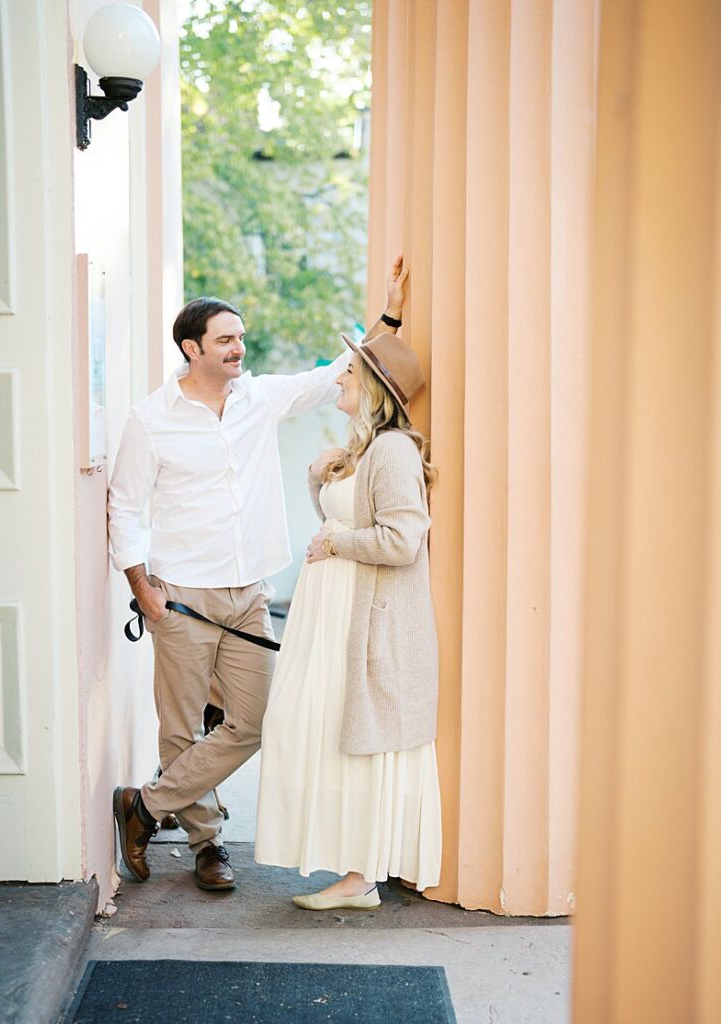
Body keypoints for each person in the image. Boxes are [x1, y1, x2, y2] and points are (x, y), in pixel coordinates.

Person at [108, 258, 409, 892]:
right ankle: (208, 845)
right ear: (191, 348)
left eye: (241, 336)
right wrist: (143, 587)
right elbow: (126, 506)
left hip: (248, 595)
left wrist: (389, 311)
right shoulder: (149, 419)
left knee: (257, 719)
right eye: (225, 339)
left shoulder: (259, 398)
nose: (239, 347)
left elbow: (337, 375)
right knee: (181, 728)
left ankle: (145, 806)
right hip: (181, 594)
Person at [254, 318, 441, 910]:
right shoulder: (364, 449)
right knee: (304, 727)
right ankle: (348, 869)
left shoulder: (393, 451)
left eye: (350, 373)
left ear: (376, 387)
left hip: (365, 624)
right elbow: (339, 523)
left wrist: (337, 546)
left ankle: (360, 879)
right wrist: (319, 480)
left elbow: (402, 540)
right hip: (332, 620)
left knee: (349, 739)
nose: (340, 380)